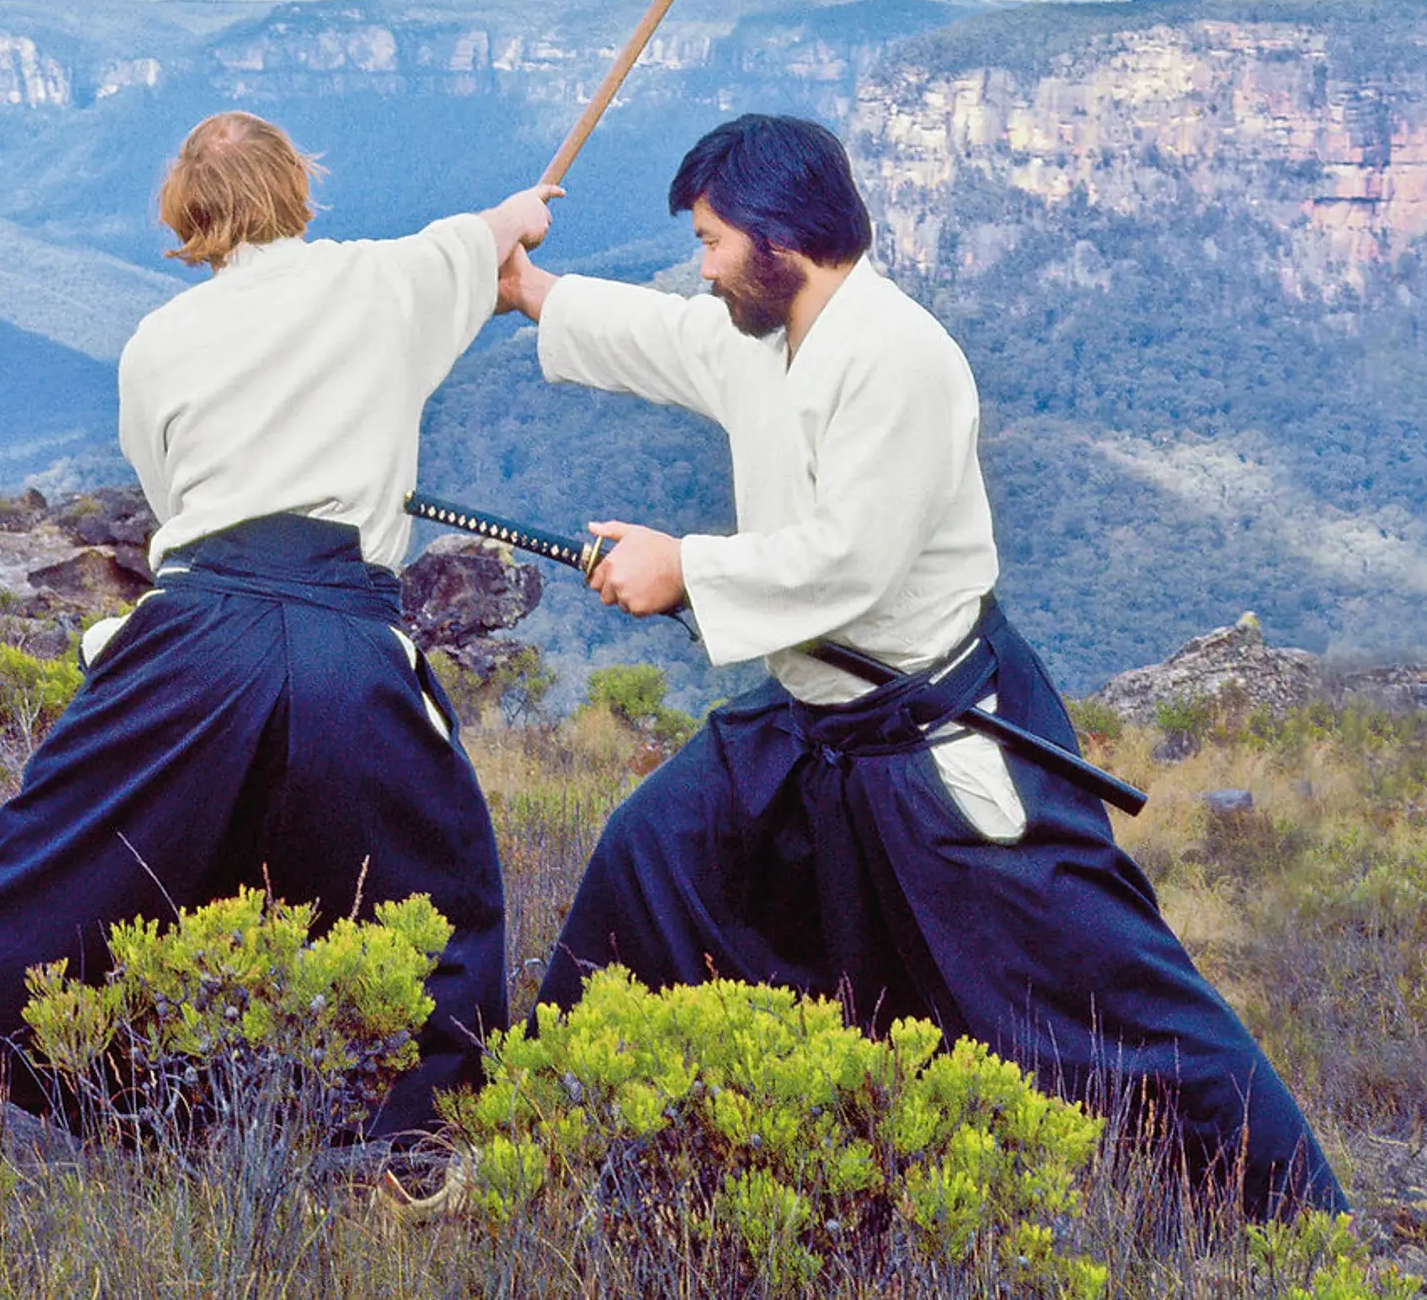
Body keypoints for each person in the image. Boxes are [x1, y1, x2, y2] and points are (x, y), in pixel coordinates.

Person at [496, 113, 1343, 1219]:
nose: (699, 267)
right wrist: (527, 288)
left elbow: (850, 558)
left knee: (1093, 997)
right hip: (810, 729)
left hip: (936, 743)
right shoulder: (763, 331)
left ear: (776, 240)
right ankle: (548, 1140)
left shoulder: (897, 357)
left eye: (709, 241)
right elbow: (661, 335)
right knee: (650, 857)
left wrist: (684, 567)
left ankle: (1294, 1218)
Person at [0, 110, 557, 1150]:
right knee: (438, 866)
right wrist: (524, 218)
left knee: (57, 841)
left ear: (188, 218)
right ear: (298, 187)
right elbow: (491, 227)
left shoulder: (158, 341)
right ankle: (424, 1145)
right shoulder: (393, 279)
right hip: (343, 631)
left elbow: (166, 490)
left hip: (194, 628)